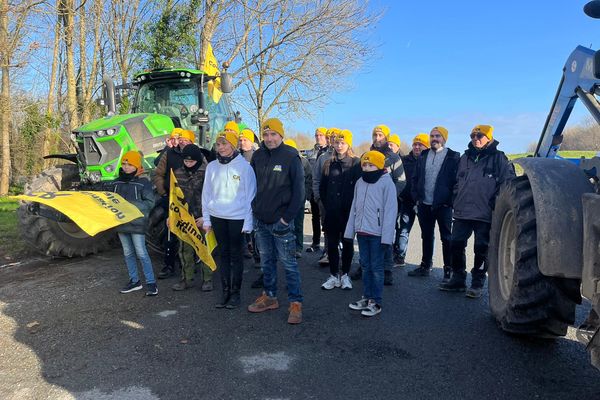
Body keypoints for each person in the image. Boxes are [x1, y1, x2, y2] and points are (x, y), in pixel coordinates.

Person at [439, 125, 514, 297]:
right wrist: (454, 198)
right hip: (462, 212)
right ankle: (458, 279)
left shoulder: (499, 158)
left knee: (481, 249)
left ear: (489, 137)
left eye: (480, 135)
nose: (476, 138)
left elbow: (508, 182)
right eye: (473, 135)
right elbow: (456, 181)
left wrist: (494, 203)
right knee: (455, 245)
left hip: (485, 214)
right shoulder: (464, 157)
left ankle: (477, 283)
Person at [247, 118, 305, 325]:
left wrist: (285, 218)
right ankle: (270, 296)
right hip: (261, 221)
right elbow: (251, 186)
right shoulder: (258, 155)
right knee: (267, 262)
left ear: (281, 135)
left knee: (289, 265)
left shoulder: (291, 156)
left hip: (281, 223)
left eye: (273, 134)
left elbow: (300, 193)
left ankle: (295, 303)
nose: (269, 138)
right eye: (266, 134)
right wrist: (253, 211)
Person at [202, 131, 256, 309]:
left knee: (236, 256)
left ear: (233, 145)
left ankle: (235, 293)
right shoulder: (211, 167)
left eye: (224, 144)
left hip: (237, 218)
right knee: (223, 255)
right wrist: (207, 220)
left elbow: (250, 197)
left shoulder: (244, 167)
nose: (221, 147)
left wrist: (248, 223)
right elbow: (206, 195)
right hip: (218, 217)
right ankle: (225, 292)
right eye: (218, 144)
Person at [351, 125, 406, 286]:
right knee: (364, 236)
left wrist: (388, 198)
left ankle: (387, 270)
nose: (377, 138)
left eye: (381, 135)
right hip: (367, 206)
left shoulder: (394, 158)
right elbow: (359, 180)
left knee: (385, 236)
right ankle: (364, 266)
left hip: (385, 206)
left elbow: (401, 181)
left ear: (386, 138)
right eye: (375, 135)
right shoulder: (365, 156)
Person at [345, 150, 397, 317]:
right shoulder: (360, 181)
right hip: (362, 231)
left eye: (371, 165)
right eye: (364, 165)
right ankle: (366, 297)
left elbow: (390, 211)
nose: (367, 168)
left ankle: (376, 301)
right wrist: (349, 231)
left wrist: (387, 237)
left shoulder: (386, 183)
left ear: (380, 165)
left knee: (376, 268)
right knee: (366, 266)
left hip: (377, 234)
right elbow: (354, 206)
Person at [409, 126, 460, 281]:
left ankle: (448, 270)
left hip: (443, 205)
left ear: (444, 138)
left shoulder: (453, 157)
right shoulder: (423, 155)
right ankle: (425, 266)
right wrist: (417, 198)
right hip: (424, 204)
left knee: (446, 238)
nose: (434, 139)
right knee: (427, 235)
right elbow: (415, 178)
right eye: (432, 136)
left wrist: (450, 202)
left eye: (438, 136)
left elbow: (457, 182)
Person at [104, 150, 158, 296]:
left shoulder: (143, 183)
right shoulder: (116, 182)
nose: (126, 167)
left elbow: (149, 202)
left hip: (137, 224)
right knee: (128, 253)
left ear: (137, 165)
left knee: (141, 253)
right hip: (121, 223)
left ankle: (151, 283)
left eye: (130, 164)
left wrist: (130, 207)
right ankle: (134, 281)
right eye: (124, 164)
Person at [319, 129, 361, 290]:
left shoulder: (356, 163)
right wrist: (328, 204)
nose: (339, 145)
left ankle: (345, 275)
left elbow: (360, 187)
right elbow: (323, 187)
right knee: (332, 244)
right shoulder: (328, 163)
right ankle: (333, 275)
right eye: (337, 142)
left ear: (348, 144)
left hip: (349, 212)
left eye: (342, 142)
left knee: (348, 243)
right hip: (332, 211)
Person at [152, 128, 195, 279]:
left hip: (192, 201)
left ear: (191, 141)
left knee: (192, 232)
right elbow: (158, 173)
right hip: (172, 200)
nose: (182, 142)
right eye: (181, 139)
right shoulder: (169, 154)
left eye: (186, 139)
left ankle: (192, 264)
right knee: (171, 233)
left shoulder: (198, 154)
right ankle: (168, 265)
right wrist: (163, 192)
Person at [170, 144, 213, 292]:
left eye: (191, 162)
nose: (188, 164)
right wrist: (172, 216)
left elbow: (212, 196)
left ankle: (207, 279)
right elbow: (173, 198)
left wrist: (206, 217)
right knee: (184, 250)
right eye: (186, 161)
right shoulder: (177, 173)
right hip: (184, 218)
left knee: (205, 249)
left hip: (202, 217)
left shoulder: (207, 172)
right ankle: (186, 278)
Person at [394, 133, 429, 266]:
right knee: (404, 231)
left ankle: (426, 263)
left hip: (424, 203)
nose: (417, 147)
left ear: (427, 146)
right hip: (407, 201)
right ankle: (400, 257)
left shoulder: (429, 160)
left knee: (426, 234)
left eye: (420, 144)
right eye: (415, 144)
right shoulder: (404, 160)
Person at [312, 127, 341, 266]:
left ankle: (340, 252)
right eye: (329, 137)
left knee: (342, 228)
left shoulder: (348, 158)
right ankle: (327, 252)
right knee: (327, 227)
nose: (332, 140)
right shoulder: (323, 158)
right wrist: (318, 197)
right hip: (325, 201)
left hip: (342, 202)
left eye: (334, 137)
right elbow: (316, 179)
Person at [284, 138, 312, 258]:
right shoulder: (281, 161)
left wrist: (306, 196)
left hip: (299, 199)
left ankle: (298, 247)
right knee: (285, 224)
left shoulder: (303, 162)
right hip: (285, 200)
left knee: (298, 224)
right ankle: (287, 247)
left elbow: (309, 179)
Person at [306, 127, 329, 253]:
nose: (318, 137)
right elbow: (310, 173)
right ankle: (315, 243)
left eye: (321, 135)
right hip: (314, 189)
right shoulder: (311, 152)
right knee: (315, 216)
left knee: (325, 218)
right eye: (316, 135)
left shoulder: (330, 152)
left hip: (325, 191)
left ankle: (329, 245)